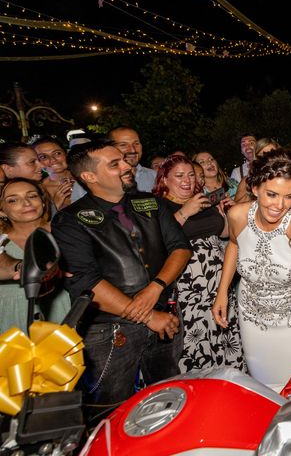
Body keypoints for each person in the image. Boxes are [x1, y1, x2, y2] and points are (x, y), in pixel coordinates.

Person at [51, 140, 191, 418]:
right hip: (109, 332)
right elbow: (85, 282)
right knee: (108, 411)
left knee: (166, 401)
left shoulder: (150, 203)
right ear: (89, 176)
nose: (128, 166)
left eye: (124, 160)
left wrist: (156, 287)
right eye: (115, 164)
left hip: (167, 318)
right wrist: (148, 317)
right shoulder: (70, 220)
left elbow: (181, 247)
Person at [212, 149, 291, 395]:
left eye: (288, 197)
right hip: (252, 319)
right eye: (272, 194)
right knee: (265, 391)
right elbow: (235, 246)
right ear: (256, 188)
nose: (279, 205)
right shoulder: (237, 215)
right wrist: (222, 292)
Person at [152, 155, 243, 372]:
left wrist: (227, 215)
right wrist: (185, 211)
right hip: (187, 288)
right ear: (164, 180)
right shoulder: (158, 206)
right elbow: (156, 242)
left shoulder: (202, 200)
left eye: (191, 174)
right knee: (196, 341)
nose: (187, 180)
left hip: (219, 282)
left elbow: (224, 233)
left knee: (225, 336)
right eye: (180, 176)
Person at [0, 178, 70, 333]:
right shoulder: (1, 240)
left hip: (60, 312)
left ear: (43, 202)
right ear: (2, 210)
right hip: (9, 319)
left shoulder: (66, 231)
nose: (26, 203)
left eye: (32, 196)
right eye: (13, 200)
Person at [71, 126, 157, 202]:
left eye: (136, 143)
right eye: (123, 145)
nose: (133, 150)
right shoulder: (91, 179)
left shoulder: (155, 176)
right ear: (110, 148)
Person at [32, 136, 74, 211]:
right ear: (37, 162)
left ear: (66, 154)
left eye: (57, 153)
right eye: (44, 157)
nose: (53, 159)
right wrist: (54, 206)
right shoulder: (39, 190)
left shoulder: (85, 177)